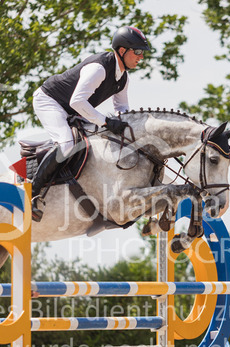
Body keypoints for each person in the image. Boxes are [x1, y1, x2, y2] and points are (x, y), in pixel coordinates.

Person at [30, 25, 150, 220]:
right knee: (67, 144)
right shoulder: (99, 68)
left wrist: (134, 130)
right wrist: (106, 122)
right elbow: (77, 101)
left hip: (74, 110)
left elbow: (122, 109)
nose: (141, 57)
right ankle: (33, 193)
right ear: (122, 50)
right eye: (137, 52)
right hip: (50, 101)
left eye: (142, 53)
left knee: (100, 140)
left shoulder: (123, 78)